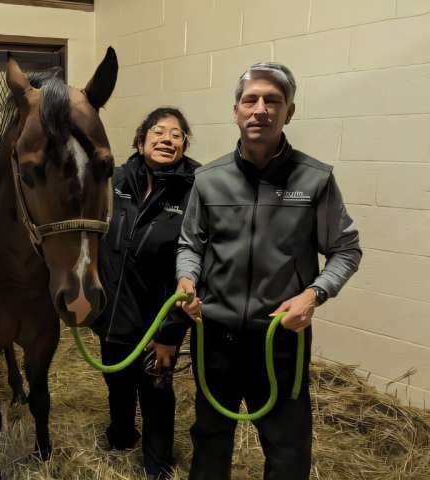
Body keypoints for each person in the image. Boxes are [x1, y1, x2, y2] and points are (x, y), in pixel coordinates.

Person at [176, 63, 362, 480]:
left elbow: (346, 250)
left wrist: (314, 294)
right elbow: (191, 244)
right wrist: (186, 277)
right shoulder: (208, 180)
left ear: (289, 112)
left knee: (288, 450)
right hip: (214, 336)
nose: (260, 109)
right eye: (250, 100)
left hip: (280, 340)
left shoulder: (315, 180)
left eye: (272, 100)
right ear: (236, 111)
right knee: (209, 441)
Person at [91, 107, 199, 479]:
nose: (167, 139)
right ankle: (121, 435)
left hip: (157, 319)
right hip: (113, 312)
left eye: (176, 134)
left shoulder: (194, 191)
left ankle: (157, 464)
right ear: (140, 140)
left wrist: (170, 333)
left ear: (184, 145)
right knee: (117, 381)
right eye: (158, 131)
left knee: (156, 391)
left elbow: (193, 265)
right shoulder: (115, 179)